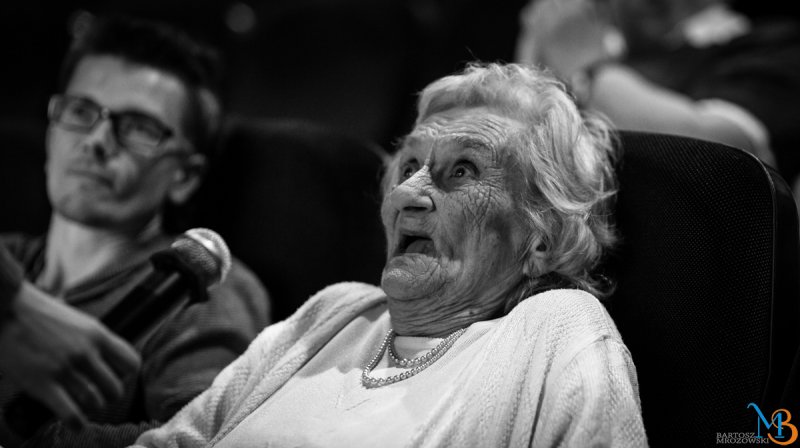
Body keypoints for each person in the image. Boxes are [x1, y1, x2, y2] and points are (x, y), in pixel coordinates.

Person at [132, 63, 646, 448]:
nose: (406, 194)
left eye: (462, 170)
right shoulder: (332, 314)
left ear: (542, 236)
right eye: (408, 166)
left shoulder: (554, 330)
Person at [0, 14, 271, 448]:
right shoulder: (7, 256)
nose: (96, 141)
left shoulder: (197, 287)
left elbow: (207, 438)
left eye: (139, 128)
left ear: (185, 176)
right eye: (80, 111)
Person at [515, 0, 800, 199]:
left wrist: (584, 67)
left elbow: (721, 154)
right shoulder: (614, 53)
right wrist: (540, 52)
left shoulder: (776, 46)